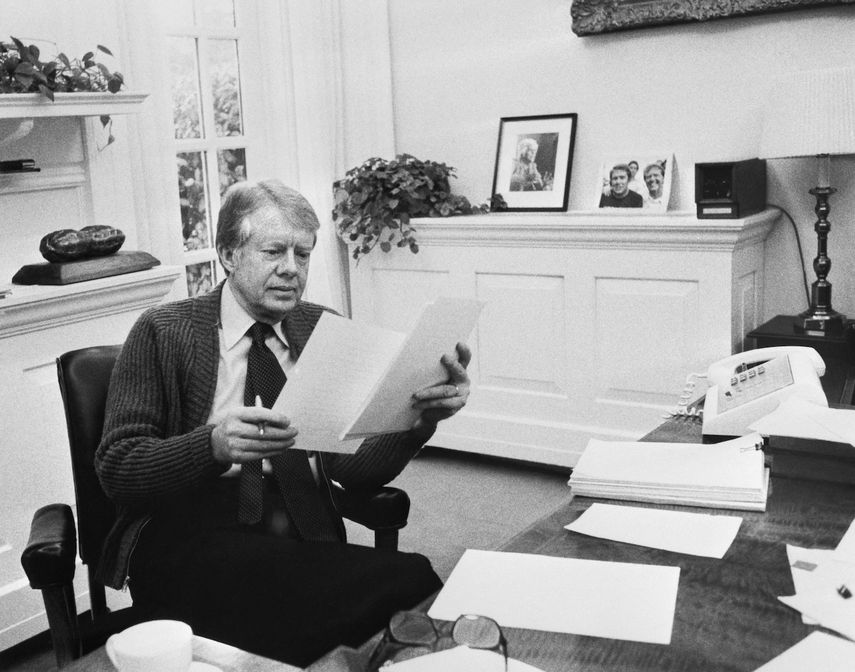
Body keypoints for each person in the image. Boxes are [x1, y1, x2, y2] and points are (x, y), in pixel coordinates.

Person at [94, 179, 473, 667]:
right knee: (389, 594)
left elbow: (353, 471)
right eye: (274, 251)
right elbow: (117, 467)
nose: (291, 270)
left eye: (303, 254)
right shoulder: (163, 331)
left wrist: (417, 422)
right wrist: (212, 445)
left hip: (298, 532)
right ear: (229, 254)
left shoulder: (320, 328)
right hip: (189, 536)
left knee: (407, 590)